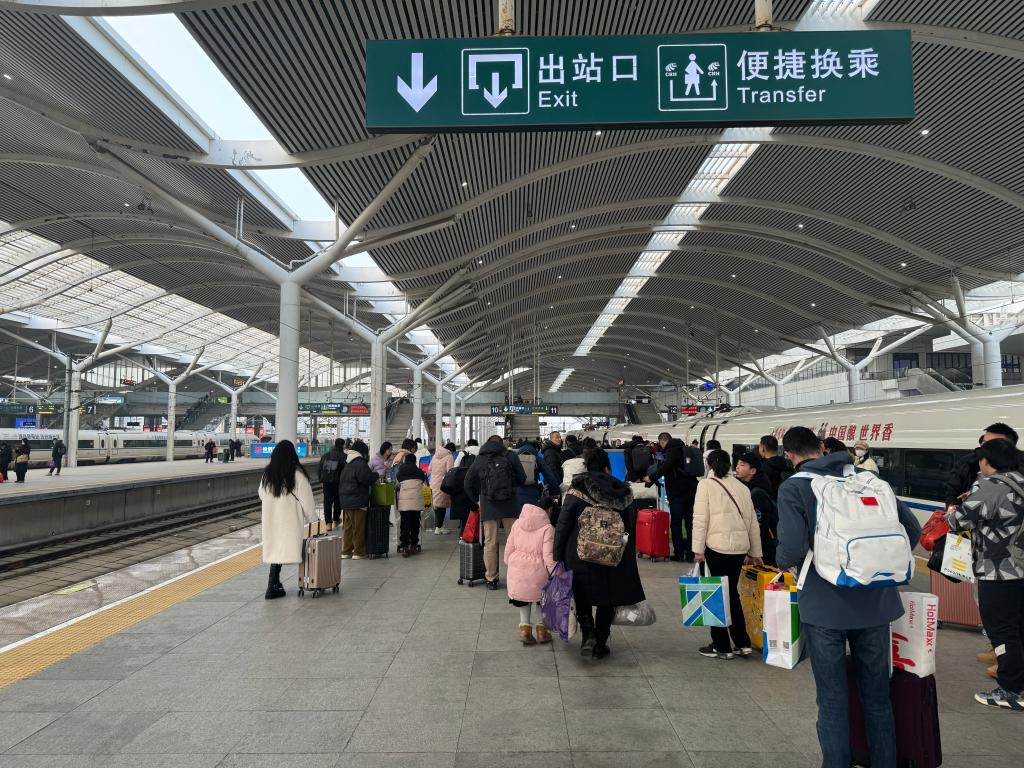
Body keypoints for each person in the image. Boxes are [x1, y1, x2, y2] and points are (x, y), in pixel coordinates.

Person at [777, 426, 921, 768]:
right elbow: (912, 530)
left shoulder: (794, 487)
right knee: (877, 697)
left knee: (832, 699)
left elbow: (791, 549)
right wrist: (876, 564)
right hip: (877, 604)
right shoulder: (867, 478)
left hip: (825, 606)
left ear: (790, 455)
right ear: (821, 446)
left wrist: (784, 563)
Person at [947, 438, 1024, 711]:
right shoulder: (1020, 481)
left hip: (998, 570)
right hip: (1020, 567)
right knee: (1017, 628)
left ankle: (1011, 690)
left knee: (1001, 631)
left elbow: (958, 522)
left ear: (986, 461)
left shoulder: (991, 486)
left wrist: (953, 509)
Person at [555, 448, 645, 659]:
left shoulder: (577, 489)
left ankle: (588, 635)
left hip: (580, 554)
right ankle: (601, 641)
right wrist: (625, 551)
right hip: (613, 556)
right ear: (607, 467)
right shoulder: (621, 491)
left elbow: (563, 524)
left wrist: (557, 554)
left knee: (582, 595)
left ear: (586, 467)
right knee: (608, 598)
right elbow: (629, 527)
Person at [692, 449, 763, 659]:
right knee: (732, 593)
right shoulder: (742, 487)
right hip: (739, 550)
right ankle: (742, 642)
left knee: (715, 596)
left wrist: (698, 549)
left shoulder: (705, 485)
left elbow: (700, 519)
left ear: (709, 465)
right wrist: (755, 552)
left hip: (716, 548)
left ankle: (721, 645)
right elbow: (753, 523)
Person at [465, 435, 527, 589]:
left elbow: (467, 482)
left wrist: (477, 500)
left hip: (489, 505)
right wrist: (511, 487)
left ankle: (491, 578)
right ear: (502, 444)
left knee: (490, 543)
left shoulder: (480, 458)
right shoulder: (511, 456)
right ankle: (515, 575)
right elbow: (523, 478)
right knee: (514, 542)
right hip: (510, 505)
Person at [258, 440, 317, 599]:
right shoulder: (298, 475)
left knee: (277, 550)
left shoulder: (267, 475)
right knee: (282, 548)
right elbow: (307, 501)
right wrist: (313, 519)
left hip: (272, 519)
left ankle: (273, 584)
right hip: (289, 521)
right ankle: (272, 586)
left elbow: (261, 494)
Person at [504, 494, 558, 646]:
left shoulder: (517, 523)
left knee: (523, 599)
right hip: (538, 571)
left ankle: (524, 631)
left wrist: (509, 562)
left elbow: (509, 546)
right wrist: (556, 573)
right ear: (549, 510)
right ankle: (542, 632)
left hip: (517, 568)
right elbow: (548, 556)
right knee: (542, 600)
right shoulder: (548, 528)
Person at [645, 432, 704, 563]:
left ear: (662, 441)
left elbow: (667, 467)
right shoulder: (684, 449)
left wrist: (651, 477)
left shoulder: (671, 451)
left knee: (676, 523)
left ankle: (679, 553)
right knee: (690, 522)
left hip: (677, 492)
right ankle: (691, 553)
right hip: (692, 489)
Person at [944, 422, 1021, 511]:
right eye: (984, 442)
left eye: (992, 444)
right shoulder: (967, 462)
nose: (984, 448)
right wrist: (952, 506)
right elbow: (952, 489)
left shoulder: (1020, 468)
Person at [733, 451, 778, 567]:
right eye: (737, 464)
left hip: (763, 551)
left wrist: (752, 552)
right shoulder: (748, 488)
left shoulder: (757, 493)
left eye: (742, 465)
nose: (737, 467)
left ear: (752, 471)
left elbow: (760, 526)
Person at [338, 440, 376, 560]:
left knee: (348, 528)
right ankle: (359, 552)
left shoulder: (347, 463)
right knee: (358, 528)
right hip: (358, 500)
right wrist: (376, 475)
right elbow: (366, 478)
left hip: (345, 501)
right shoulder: (360, 463)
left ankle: (346, 551)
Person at [396, 453, 427, 557]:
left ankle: (405, 547)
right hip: (416, 502)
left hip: (404, 503)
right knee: (415, 523)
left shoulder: (400, 472)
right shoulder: (420, 472)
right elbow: (423, 482)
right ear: (414, 461)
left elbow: (397, 484)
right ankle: (413, 545)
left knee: (405, 524)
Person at [514, 440, 559, 513]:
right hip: (531, 495)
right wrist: (555, 491)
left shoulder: (515, 456)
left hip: (516, 495)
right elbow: (548, 474)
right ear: (536, 448)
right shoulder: (535, 456)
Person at [442, 449, 478, 535]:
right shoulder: (473, 473)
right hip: (470, 501)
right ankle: (467, 536)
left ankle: (462, 535)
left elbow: (445, 486)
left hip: (458, 502)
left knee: (463, 520)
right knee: (469, 519)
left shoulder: (456, 472)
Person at [318, 438, 346, 531]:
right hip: (338, 483)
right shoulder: (344, 456)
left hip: (326, 483)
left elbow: (320, 469)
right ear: (342, 445)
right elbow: (345, 471)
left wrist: (321, 480)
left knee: (327, 502)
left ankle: (328, 524)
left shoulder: (325, 455)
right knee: (338, 501)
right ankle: (336, 520)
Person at [429, 442, 456, 535]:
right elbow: (450, 471)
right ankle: (439, 527)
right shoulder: (449, 456)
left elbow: (430, 469)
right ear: (451, 450)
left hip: (433, 482)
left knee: (436, 505)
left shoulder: (435, 455)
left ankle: (438, 526)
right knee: (442, 506)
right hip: (443, 483)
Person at [758, 434, 793, 500]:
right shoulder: (787, 463)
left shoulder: (764, 467)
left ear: (762, 448)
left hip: (772, 502)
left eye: (759, 446)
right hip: (786, 500)